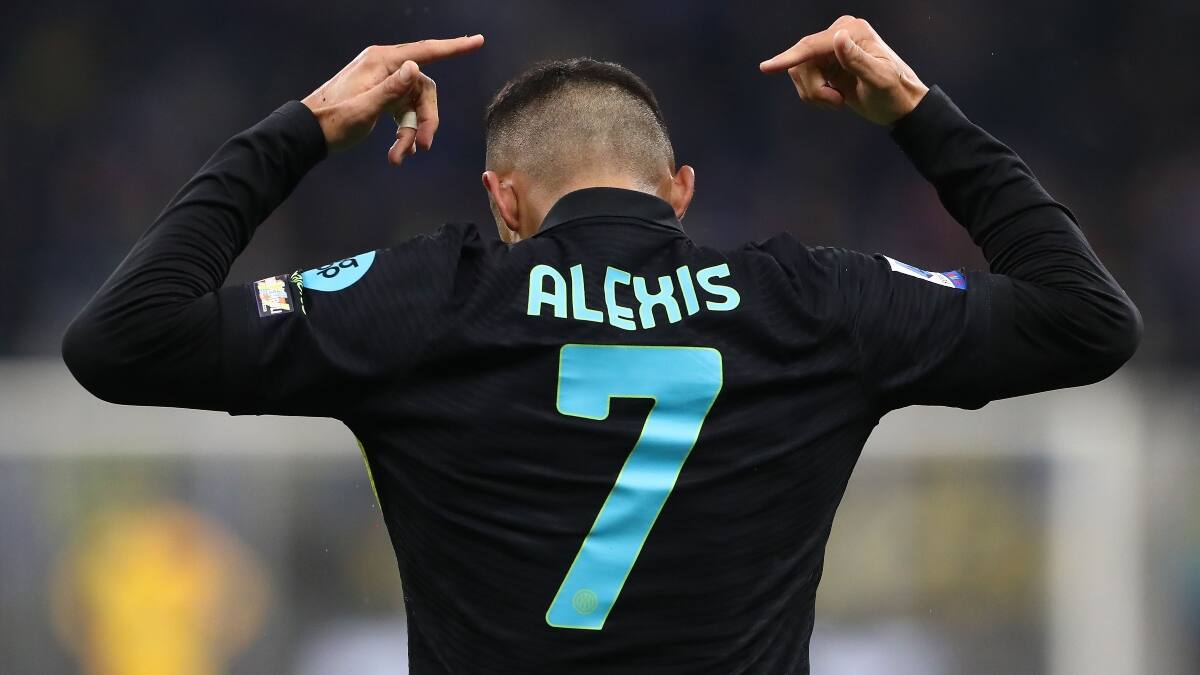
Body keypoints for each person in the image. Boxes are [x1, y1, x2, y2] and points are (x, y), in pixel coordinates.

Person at [62, 16, 1141, 674]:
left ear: (503, 201)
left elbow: (123, 338)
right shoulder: (809, 302)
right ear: (681, 190)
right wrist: (916, 112)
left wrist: (301, 129)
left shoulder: (430, 299)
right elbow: (1086, 318)